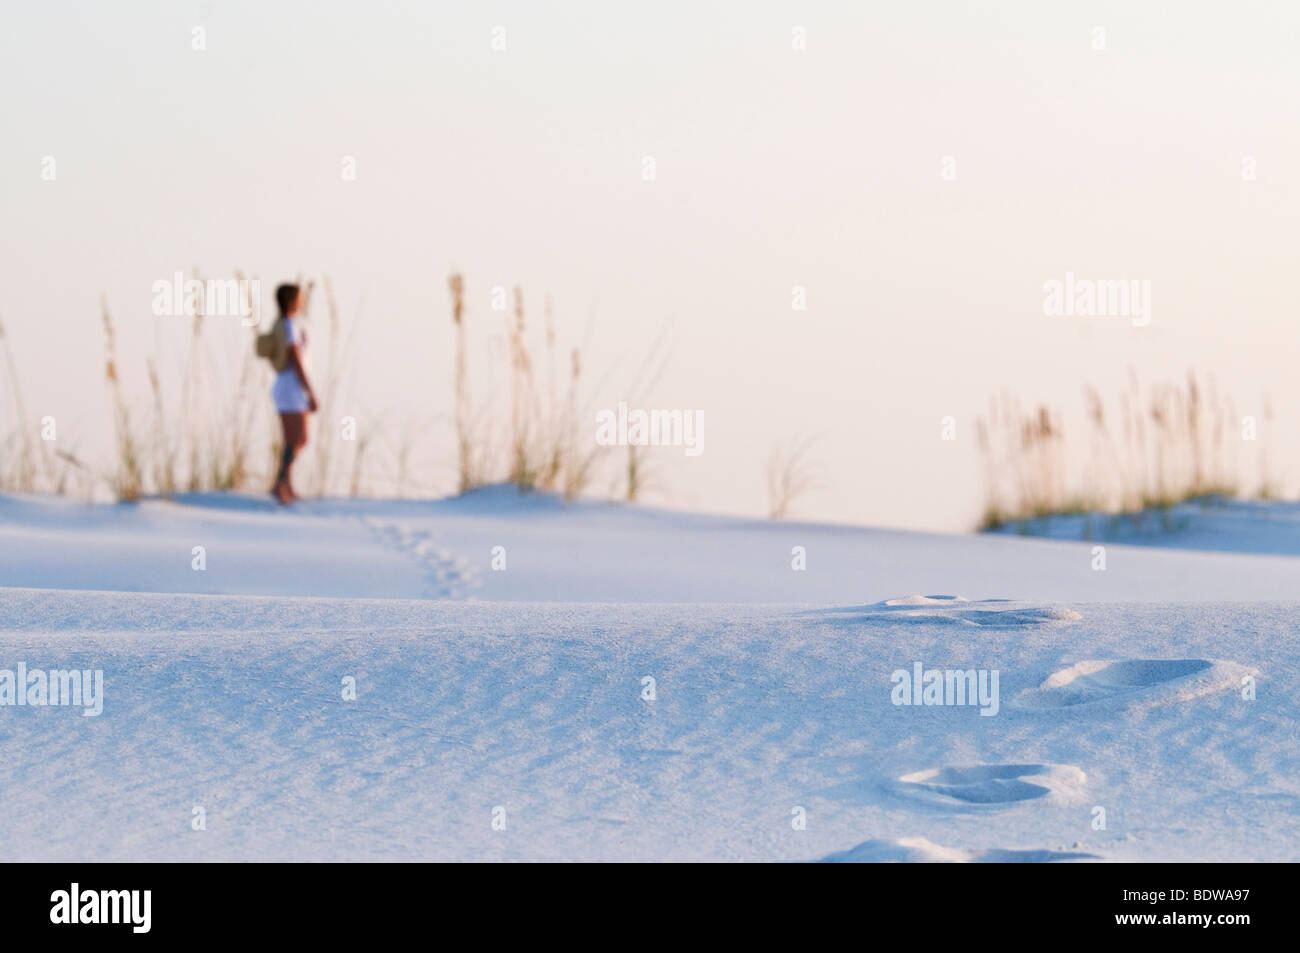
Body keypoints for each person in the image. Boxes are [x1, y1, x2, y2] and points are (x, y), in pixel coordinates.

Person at [269, 283, 317, 503]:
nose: (303, 301)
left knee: (299, 439)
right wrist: (310, 391)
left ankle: (284, 482)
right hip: (291, 388)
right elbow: (296, 360)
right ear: (292, 301)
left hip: (291, 388)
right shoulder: (288, 326)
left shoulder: (287, 325)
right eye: (300, 298)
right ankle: (281, 484)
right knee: (294, 438)